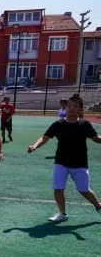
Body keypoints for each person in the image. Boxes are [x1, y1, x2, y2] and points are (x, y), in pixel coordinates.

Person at [27, 94, 101, 222]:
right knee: (58, 189)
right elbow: (44, 138)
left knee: (84, 190)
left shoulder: (85, 124)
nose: (71, 108)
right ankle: (62, 213)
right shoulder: (58, 124)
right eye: (69, 106)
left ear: (80, 109)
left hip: (80, 163)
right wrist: (34, 146)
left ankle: (99, 207)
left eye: (75, 106)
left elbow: (96, 138)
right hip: (61, 162)